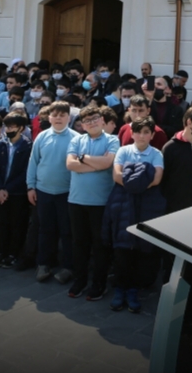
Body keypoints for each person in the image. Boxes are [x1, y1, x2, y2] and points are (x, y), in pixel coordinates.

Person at [106, 116, 166, 313]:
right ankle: (120, 289)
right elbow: (117, 175)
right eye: (138, 131)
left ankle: (133, 290)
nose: (142, 135)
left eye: (146, 132)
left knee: (141, 249)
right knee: (122, 247)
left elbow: (157, 179)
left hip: (146, 204)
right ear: (132, 133)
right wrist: (139, 181)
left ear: (152, 135)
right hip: (123, 202)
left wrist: (135, 183)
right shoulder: (123, 151)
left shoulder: (156, 153)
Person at [65, 106, 119, 300]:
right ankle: (79, 281)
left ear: (102, 120)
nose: (92, 123)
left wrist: (82, 160)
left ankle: (99, 284)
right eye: (87, 121)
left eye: (95, 119)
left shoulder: (112, 140)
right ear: (82, 124)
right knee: (79, 243)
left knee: (100, 245)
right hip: (76, 200)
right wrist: (95, 164)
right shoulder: (76, 139)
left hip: (101, 202)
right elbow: (70, 165)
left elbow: (107, 164)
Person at [26, 101, 76, 284]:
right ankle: (43, 263)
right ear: (49, 117)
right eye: (55, 115)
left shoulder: (77, 138)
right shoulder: (41, 137)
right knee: (45, 229)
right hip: (43, 191)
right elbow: (33, 162)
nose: (58, 118)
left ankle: (68, 267)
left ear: (68, 118)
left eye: (62, 115)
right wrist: (31, 186)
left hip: (67, 193)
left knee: (67, 231)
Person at [0, 112, 33, 269]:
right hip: (1, 193)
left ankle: (13, 254)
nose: (8, 129)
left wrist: (8, 189)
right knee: (1, 224)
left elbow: (26, 172)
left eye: (12, 126)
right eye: (6, 126)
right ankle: (1, 253)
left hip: (17, 193)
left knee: (17, 224)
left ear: (21, 128)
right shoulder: (1, 145)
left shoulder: (28, 146)